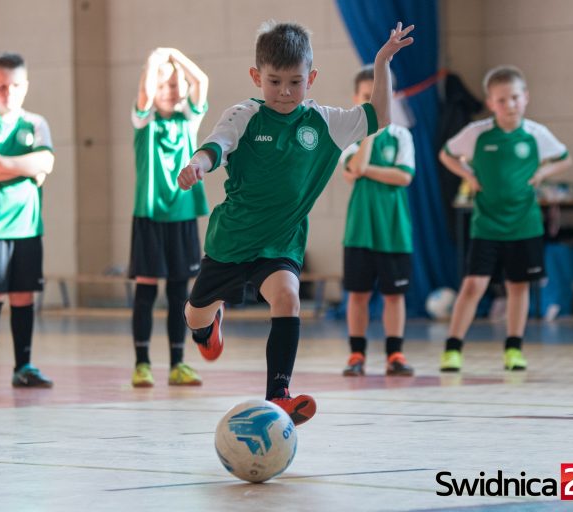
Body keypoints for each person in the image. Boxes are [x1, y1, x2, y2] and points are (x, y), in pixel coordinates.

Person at [177, 21, 415, 425]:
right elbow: (215, 146)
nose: (285, 92)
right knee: (195, 314)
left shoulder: (324, 122)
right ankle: (208, 325)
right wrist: (196, 165)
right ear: (257, 76)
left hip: (281, 243)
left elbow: (377, 116)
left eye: (295, 82)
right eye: (274, 81)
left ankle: (279, 394)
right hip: (231, 242)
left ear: (312, 78)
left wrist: (381, 63)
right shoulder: (244, 114)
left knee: (288, 296)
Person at [438, 65, 572, 373]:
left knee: (518, 287)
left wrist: (542, 172)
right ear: (490, 103)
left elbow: (565, 159)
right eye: (501, 100)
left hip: (524, 225)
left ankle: (514, 349)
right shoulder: (478, 134)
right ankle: (453, 349)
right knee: (473, 285)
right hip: (487, 225)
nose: (509, 105)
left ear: (525, 97)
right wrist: (468, 175)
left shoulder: (536, 134)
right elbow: (446, 154)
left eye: (514, 98)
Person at [0, 52, 55, 390]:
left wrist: (6, 163)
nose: (9, 92)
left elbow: (47, 160)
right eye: (1, 86)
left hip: (27, 226)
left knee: (23, 296)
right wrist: (29, 166)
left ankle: (25, 366)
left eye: (16, 85)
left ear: (25, 86)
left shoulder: (36, 123)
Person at [128, 48, 210, 388]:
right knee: (146, 292)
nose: (172, 91)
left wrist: (175, 56)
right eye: (165, 86)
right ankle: (142, 363)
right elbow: (146, 89)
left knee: (180, 293)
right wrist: (155, 62)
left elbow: (201, 80)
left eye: (176, 85)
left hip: (182, 216)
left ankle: (178, 362)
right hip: (149, 217)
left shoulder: (188, 119)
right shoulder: (144, 121)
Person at [340, 65, 416, 378]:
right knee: (357, 294)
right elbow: (352, 167)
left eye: (380, 95)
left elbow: (403, 177)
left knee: (394, 295)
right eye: (366, 96)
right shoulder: (349, 136)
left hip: (394, 230)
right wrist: (369, 133)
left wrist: (364, 170)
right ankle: (356, 354)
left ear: (391, 96)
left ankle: (395, 354)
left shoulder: (402, 136)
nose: (374, 101)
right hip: (360, 230)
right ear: (356, 98)